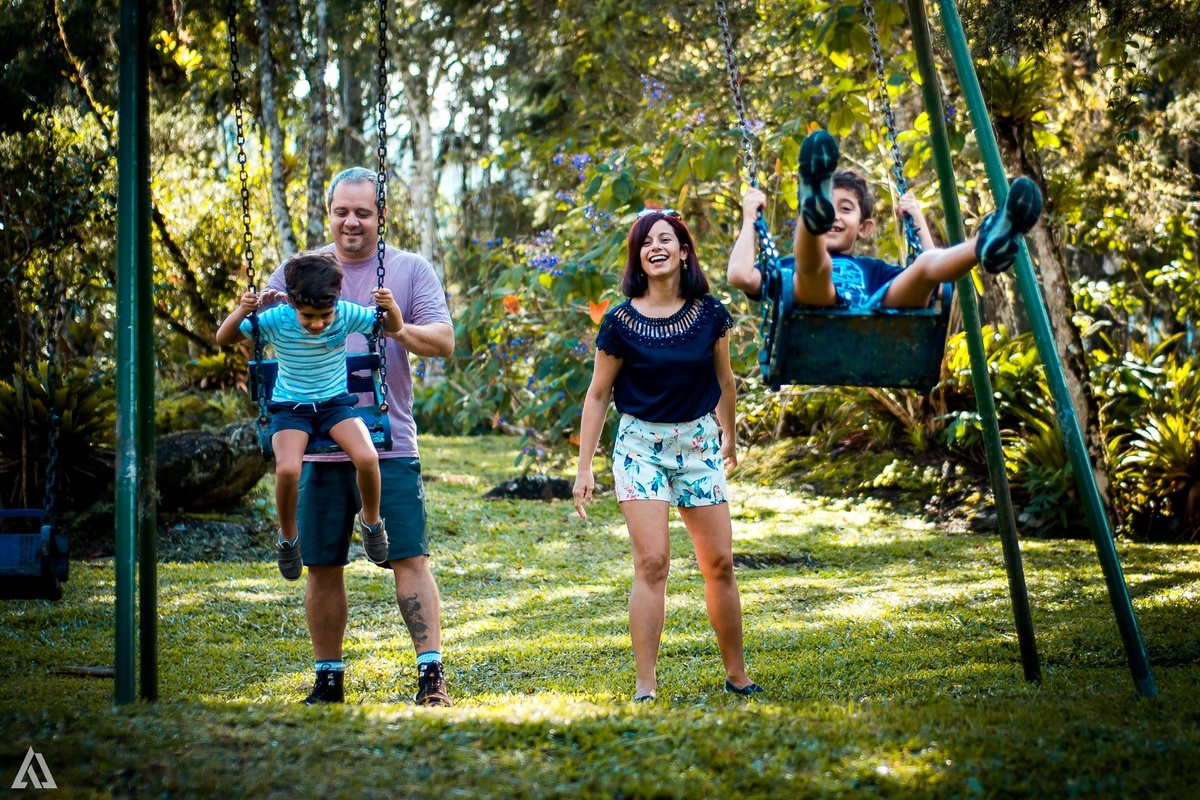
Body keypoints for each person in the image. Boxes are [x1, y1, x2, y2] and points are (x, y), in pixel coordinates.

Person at [261, 167, 455, 707]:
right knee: (322, 563)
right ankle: (328, 678)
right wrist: (250, 309)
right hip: (313, 442)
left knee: (409, 555)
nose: (352, 222)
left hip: (386, 439)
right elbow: (263, 324)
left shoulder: (409, 270)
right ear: (330, 213)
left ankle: (430, 675)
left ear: (381, 216)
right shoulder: (302, 271)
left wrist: (397, 328)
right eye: (342, 211)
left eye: (363, 212)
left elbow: (443, 341)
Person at [572, 209, 762, 702]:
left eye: (665, 239)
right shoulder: (620, 321)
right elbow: (597, 395)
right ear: (639, 257)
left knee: (719, 562)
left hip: (699, 445)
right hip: (641, 448)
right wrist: (584, 467)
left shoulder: (711, 314)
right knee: (653, 563)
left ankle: (738, 676)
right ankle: (645, 686)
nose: (655, 247)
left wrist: (730, 438)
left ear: (683, 251)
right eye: (645, 242)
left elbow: (725, 381)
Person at [216, 251, 399, 581]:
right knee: (287, 469)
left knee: (368, 457)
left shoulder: (344, 314)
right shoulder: (277, 320)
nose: (317, 323)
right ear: (291, 303)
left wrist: (391, 308)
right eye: (309, 316)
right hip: (291, 410)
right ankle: (288, 538)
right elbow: (223, 338)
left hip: (335, 406)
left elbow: (388, 327)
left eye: (324, 315)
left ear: (336, 303)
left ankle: (371, 523)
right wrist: (245, 310)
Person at [727, 128, 1044, 309]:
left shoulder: (873, 271)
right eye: (830, 205)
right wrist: (749, 220)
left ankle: (985, 243)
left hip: (874, 312)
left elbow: (934, 285)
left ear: (864, 228)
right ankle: (812, 208)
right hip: (815, 309)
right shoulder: (787, 267)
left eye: (846, 208)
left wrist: (917, 218)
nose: (836, 216)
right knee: (813, 268)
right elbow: (740, 275)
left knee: (924, 267)